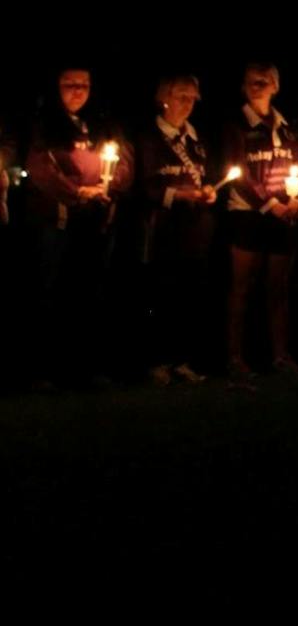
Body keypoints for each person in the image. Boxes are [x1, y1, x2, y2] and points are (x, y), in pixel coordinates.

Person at [25, 66, 134, 386]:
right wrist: (76, 192)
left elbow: (124, 162)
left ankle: (86, 366)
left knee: (91, 292)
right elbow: (41, 168)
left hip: (97, 220)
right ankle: (45, 369)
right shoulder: (44, 125)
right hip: (58, 221)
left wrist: (108, 186)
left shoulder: (103, 124)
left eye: (84, 85)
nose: (77, 91)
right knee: (52, 291)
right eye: (69, 84)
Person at [220, 63, 298, 378]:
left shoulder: (285, 126)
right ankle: (234, 357)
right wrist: (270, 204)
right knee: (241, 287)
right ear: (243, 87)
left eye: (266, 80)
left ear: (276, 86)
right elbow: (239, 172)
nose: (259, 84)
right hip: (248, 215)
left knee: (278, 288)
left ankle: (280, 356)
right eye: (252, 81)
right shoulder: (236, 125)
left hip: (282, 215)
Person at [134, 74, 216, 385]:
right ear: (165, 97)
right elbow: (144, 183)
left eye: (193, 98)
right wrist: (176, 195)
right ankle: (156, 360)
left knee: (190, 295)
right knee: (161, 294)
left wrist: (210, 191)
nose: (188, 104)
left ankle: (183, 359)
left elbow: (209, 174)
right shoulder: (148, 137)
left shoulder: (197, 139)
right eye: (182, 96)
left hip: (195, 229)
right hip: (161, 229)